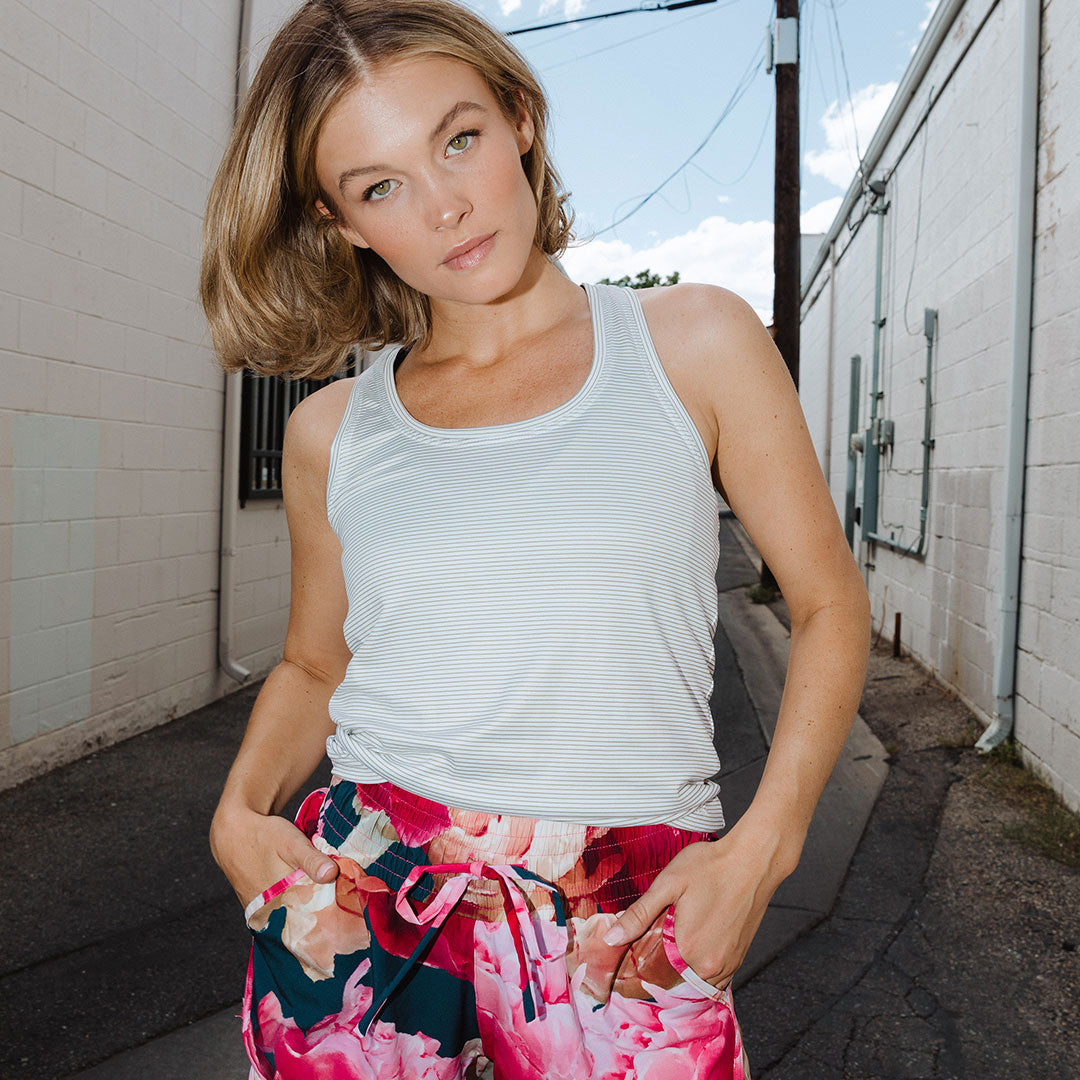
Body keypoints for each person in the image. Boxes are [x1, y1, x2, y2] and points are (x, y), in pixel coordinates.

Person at [199, 1, 871, 1077]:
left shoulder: (695, 343)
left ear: (519, 117)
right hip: (362, 898)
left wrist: (764, 847)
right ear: (342, 222)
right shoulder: (332, 430)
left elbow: (830, 605)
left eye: (457, 138)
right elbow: (316, 664)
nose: (446, 205)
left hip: (624, 914)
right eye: (381, 187)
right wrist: (237, 812)